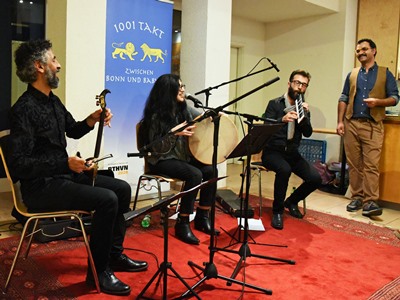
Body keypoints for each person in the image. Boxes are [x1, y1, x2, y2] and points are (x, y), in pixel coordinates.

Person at [8, 39, 148, 296]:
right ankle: (98, 272)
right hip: (40, 187)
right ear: (39, 66)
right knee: (106, 199)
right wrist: (64, 162)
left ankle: (113, 256)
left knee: (121, 189)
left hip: (63, 177)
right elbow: (19, 164)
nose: (58, 65)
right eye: (54, 60)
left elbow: (72, 130)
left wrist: (92, 119)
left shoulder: (53, 101)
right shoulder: (23, 109)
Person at [140, 73, 218, 245]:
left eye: (183, 86)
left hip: (182, 158)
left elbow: (201, 118)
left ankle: (202, 216)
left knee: (211, 170)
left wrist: (213, 116)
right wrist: (174, 134)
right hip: (161, 161)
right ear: (169, 90)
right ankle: (183, 222)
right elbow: (156, 148)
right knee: (195, 174)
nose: (183, 90)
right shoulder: (155, 116)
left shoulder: (184, 109)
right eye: (179, 87)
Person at [336, 38, 399, 217]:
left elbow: (395, 97)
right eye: (358, 50)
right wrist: (340, 122)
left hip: (373, 125)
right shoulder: (352, 74)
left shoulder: (385, 73)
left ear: (374, 51)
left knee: (371, 165)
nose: (361, 52)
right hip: (351, 123)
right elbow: (343, 98)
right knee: (354, 165)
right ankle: (356, 197)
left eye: (364, 49)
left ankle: (370, 201)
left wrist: (378, 102)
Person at [261, 69, 322, 230]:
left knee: (316, 178)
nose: (299, 87)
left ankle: (292, 201)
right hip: (272, 152)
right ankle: (277, 211)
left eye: (304, 85)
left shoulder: (303, 107)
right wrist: (282, 119)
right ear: (289, 84)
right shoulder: (275, 104)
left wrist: (304, 116)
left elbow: (308, 133)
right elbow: (265, 127)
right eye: (297, 83)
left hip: (292, 153)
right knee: (284, 170)